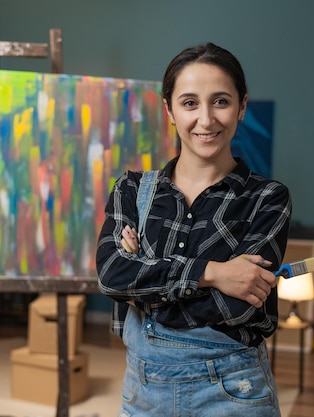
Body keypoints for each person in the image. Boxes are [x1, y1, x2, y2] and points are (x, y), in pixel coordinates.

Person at [96, 42, 292, 416]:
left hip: (234, 390)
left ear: (242, 107)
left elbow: (236, 305)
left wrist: (145, 286)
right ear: (169, 110)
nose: (206, 119)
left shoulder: (267, 198)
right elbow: (111, 275)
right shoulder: (132, 189)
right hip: (143, 392)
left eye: (220, 101)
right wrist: (214, 272)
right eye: (189, 103)